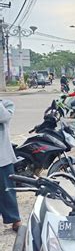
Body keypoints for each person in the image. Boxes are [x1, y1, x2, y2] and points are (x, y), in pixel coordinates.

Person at [0, 99, 21, 232]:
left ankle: (15, 219)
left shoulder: (7, 104)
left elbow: (3, 117)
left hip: (2, 157)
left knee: (7, 190)